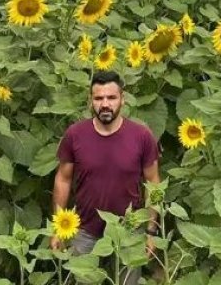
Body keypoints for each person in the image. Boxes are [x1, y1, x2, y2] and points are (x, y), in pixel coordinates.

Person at [51, 71, 161, 284]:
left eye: (111, 97)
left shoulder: (141, 136)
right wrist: (58, 229)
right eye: (98, 98)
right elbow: (62, 180)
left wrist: (150, 230)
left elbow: (153, 183)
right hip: (85, 228)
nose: (105, 104)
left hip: (129, 230)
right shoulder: (75, 135)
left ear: (123, 99)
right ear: (90, 100)